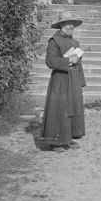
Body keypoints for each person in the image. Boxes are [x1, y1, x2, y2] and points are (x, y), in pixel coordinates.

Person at [39, 11, 87, 152]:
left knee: (73, 108)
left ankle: (69, 138)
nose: (70, 26)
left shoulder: (75, 42)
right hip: (60, 79)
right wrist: (67, 61)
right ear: (60, 25)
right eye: (67, 23)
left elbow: (78, 64)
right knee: (60, 109)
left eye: (72, 24)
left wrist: (81, 81)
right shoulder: (54, 41)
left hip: (73, 80)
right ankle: (58, 142)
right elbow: (50, 61)